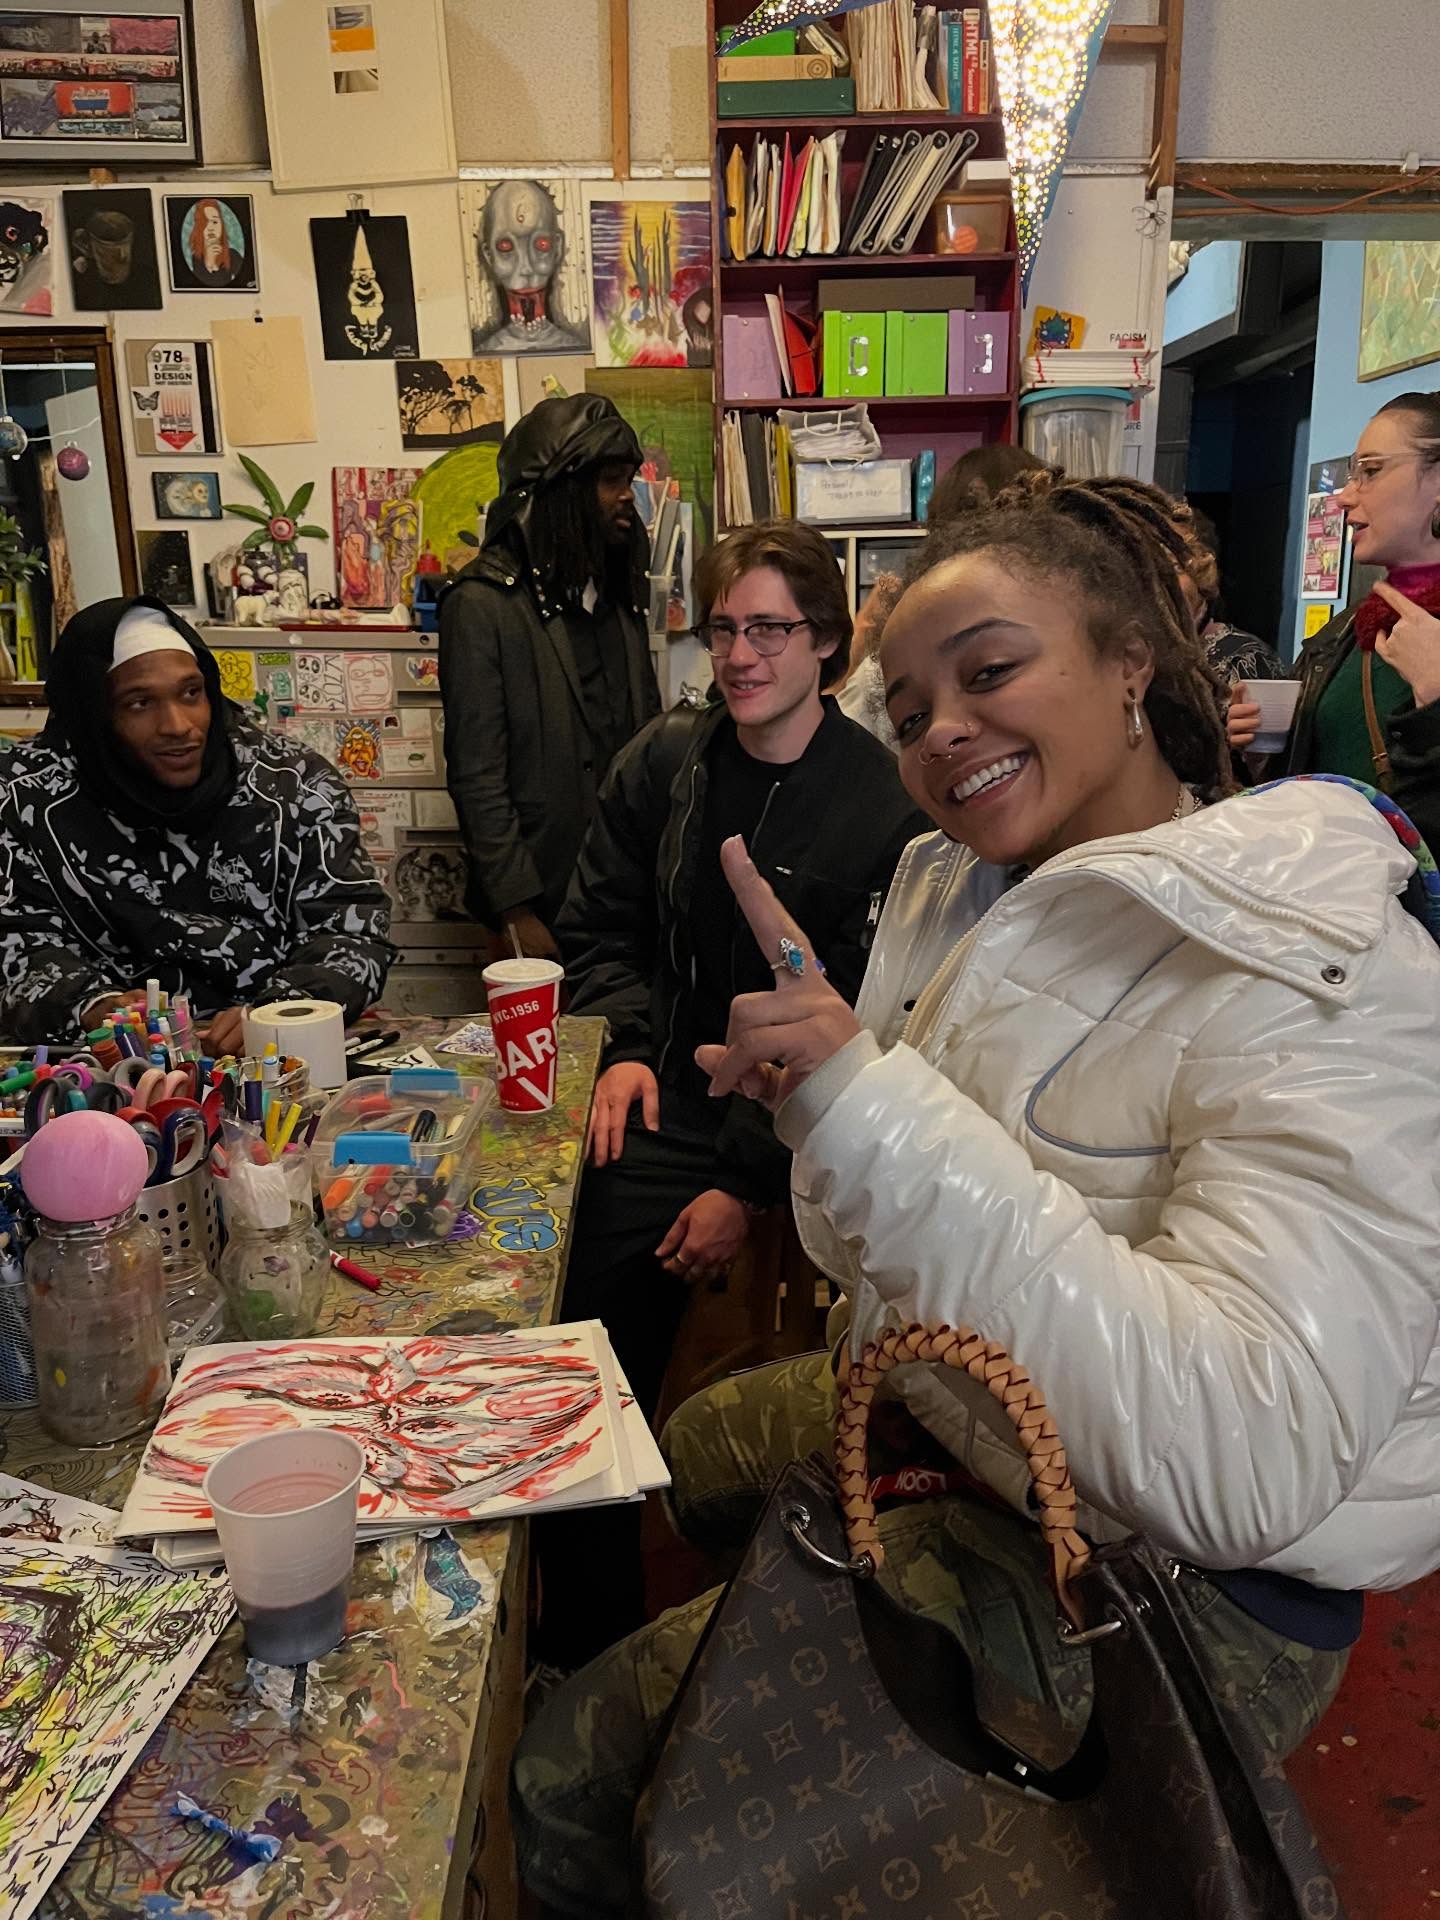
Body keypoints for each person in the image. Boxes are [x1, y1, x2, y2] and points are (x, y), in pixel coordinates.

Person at [513, 472, 1440, 1917]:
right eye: (911, 708)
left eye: (991, 671)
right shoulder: (967, 886)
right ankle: (798, 1663)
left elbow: (1246, 1461)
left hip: (1188, 1578)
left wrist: (866, 1111)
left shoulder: (1323, 965)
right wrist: (826, 1105)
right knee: (690, 1454)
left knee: (566, 1779)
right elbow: (868, 1244)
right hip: (983, 1416)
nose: (943, 729)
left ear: (1132, 663)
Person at [537, 520, 927, 1669]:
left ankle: (750, 1628)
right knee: (576, 1327)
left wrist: (744, 1185)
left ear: (828, 643)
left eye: (770, 630)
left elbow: (867, 1023)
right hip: (667, 1082)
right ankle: (589, 1634)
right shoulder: (667, 762)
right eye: (723, 630)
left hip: (798, 1125)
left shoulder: (883, 805)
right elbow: (599, 922)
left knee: (686, 1309)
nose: (742, 656)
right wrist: (620, 1048)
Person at [0, 598, 394, 1052]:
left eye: (191, 693)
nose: (178, 725)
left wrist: (282, 1010)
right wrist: (92, 1007)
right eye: (140, 703)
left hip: (273, 1054)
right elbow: (15, 940)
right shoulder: (23, 797)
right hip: (95, 1060)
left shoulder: (294, 784)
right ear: (92, 713)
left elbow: (353, 928)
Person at [439, 394, 659, 962]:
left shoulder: (619, 595)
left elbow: (646, 740)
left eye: (628, 480)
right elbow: (477, 776)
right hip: (537, 900)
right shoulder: (482, 605)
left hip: (624, 893)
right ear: (562, 490)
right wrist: (515, 910)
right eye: (610, 481)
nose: (627, 497)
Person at [1229, 391, 1440, 849]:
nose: (1344, 497)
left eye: (1371, 470)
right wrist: (1264, 755)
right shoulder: (1346, 632)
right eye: (1351, 473)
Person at [837, 442, 1048, 744]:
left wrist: (858, 643)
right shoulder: (1080, 622)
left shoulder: (896, 660)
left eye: (994, 672)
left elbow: (836, 739)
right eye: (915, 720)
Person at [1175, 502, 1284, 684]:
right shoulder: (1136, 655)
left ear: (1205, 573)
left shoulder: (1244, 659)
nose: (1161, 580)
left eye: (1176, 567)